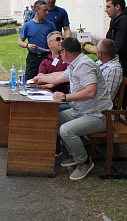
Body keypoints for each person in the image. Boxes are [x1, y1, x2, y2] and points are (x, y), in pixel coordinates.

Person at [34, 37, 113, 180]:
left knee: (66, 130)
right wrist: (41, 78)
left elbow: (90, 92)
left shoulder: (84, 65)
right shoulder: (76, 63)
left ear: (64, 52)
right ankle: (75, 155)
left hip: (99, 115)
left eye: (60, 51)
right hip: (82, 111)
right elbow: (59, 77)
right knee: (54, 120)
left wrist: (64, 97)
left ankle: (84, 162)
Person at [18, 0, 56, 80]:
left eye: (47, 10)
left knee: (47, 80)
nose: (47, 12)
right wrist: (28, 45)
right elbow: (20, 42)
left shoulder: (50, 25)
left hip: (46, 57)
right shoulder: (28, 25)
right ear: (37, 11)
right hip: (33, 58)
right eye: (44, 10)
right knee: (29, 81)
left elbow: (57, 41)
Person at [105, 0, 127, 76]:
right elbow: (107, 40)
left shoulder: (124, 21)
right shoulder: (114, 20)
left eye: (108, 7)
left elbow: (119, 47)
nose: (106, 10)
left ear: (117, 7)